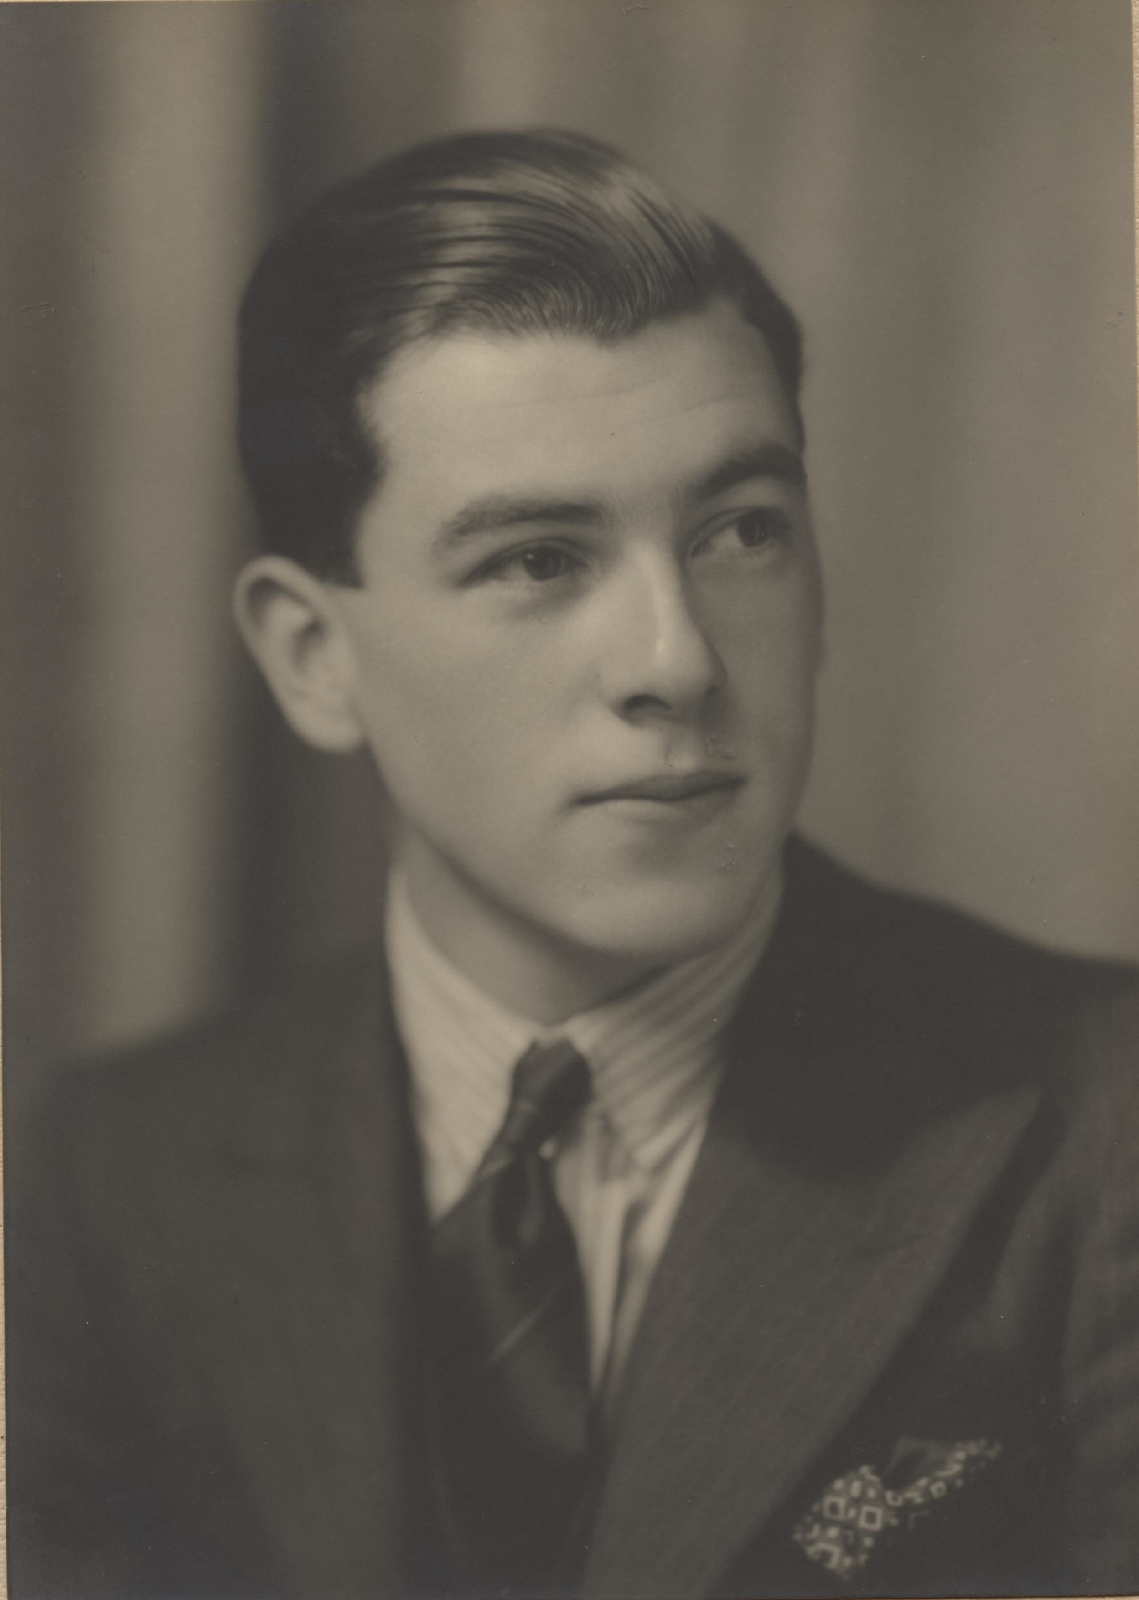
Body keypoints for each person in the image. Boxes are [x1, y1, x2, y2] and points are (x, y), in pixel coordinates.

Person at [6, 128, 1139, 1600]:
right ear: (312, 658)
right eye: (537, 559)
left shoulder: (1100, 1131)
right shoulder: (116, 1175)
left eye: (741, 532)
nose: (677, 661)